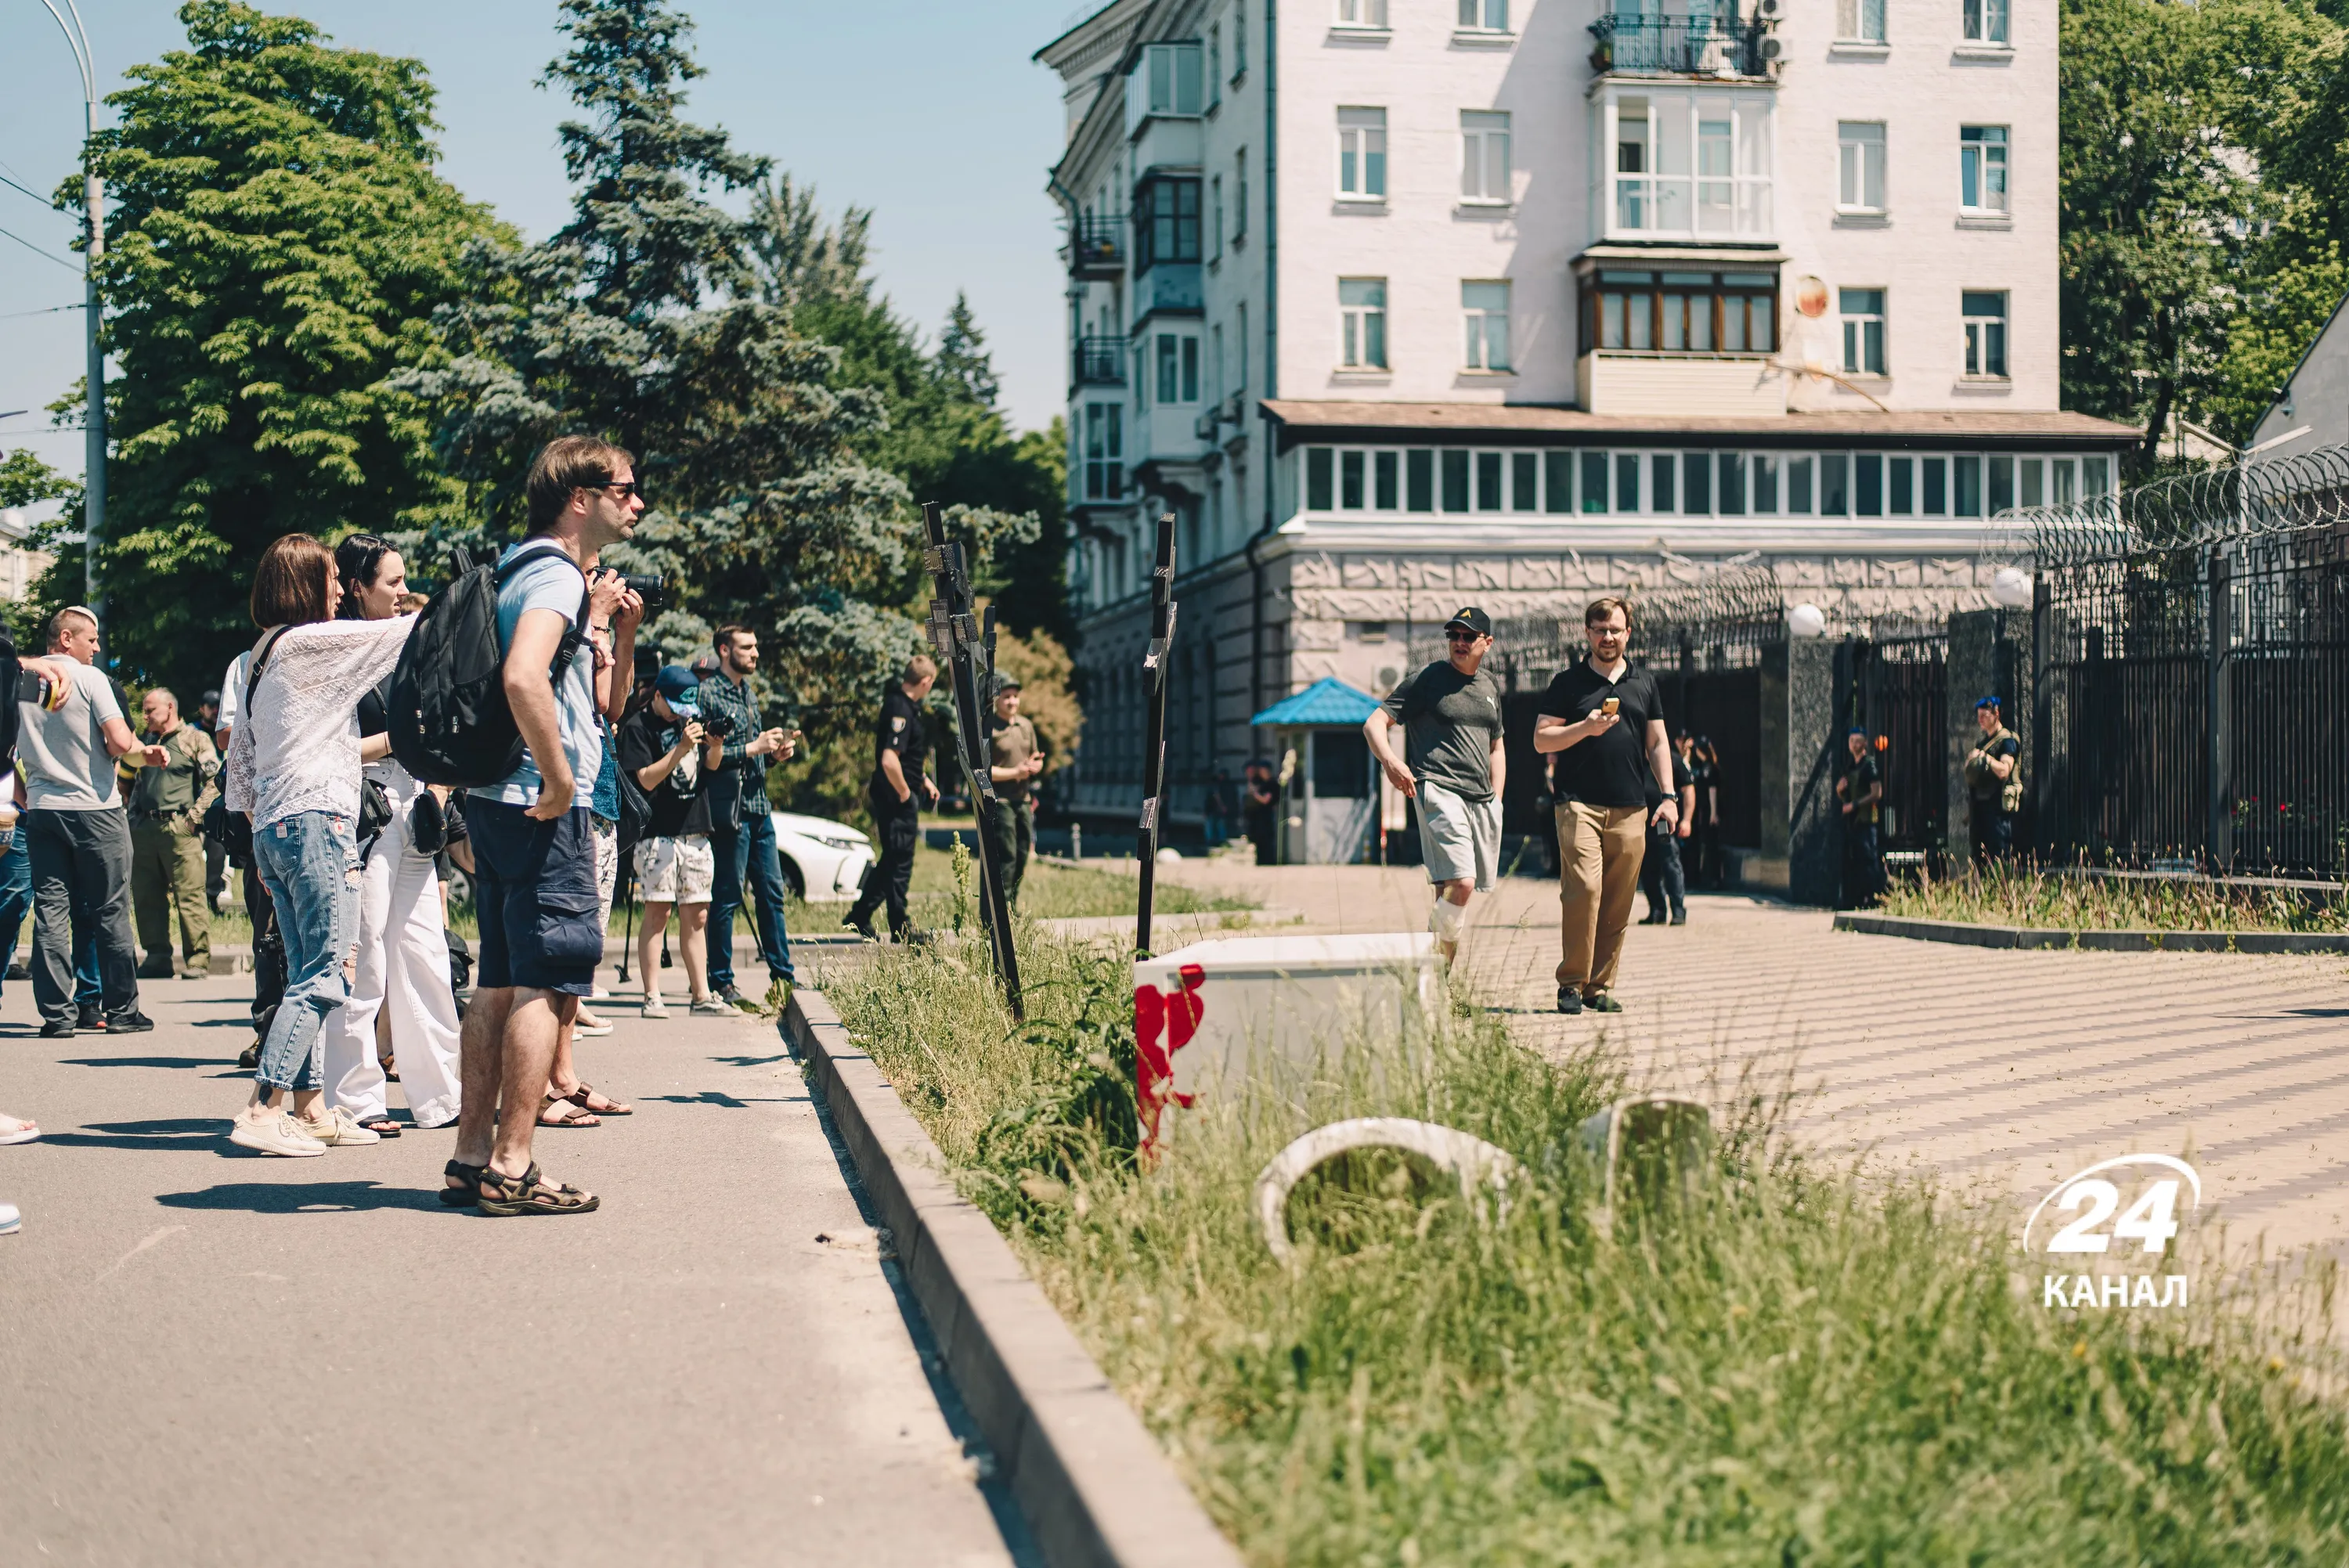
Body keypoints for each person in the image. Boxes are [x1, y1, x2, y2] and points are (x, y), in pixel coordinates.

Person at [446, 435, 642, 1216]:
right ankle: (513, 1163)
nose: (637, 501)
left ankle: (469, 1157)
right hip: (538, 801)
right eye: (625, 488)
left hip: (495, 798)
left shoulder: (516, 562)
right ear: (579, 496)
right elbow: (524, 675)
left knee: (496, 979)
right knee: (546, 980)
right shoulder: (558, 573)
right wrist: (562, 776)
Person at [222, 535, 422, 1155]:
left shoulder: (260, 654)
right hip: (318, 825)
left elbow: (241, 765)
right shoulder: (311, 642)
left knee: (303, 972)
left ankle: (311, 1108)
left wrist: (259, 839)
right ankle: (262, 1107)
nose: (341, 589)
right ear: (306, 584)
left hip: (277, 829)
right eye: (332, 578)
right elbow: (404, 637)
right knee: (331, 972)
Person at [319, 535, 465, 1137]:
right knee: (365, 955)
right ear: (357, 587)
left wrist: (436, 789)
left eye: (405, 580)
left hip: (414, 808)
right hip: (363, 809)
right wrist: (399, 745)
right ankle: (355, 1099)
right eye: (391, 582)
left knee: (427, 954)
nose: (404, 591)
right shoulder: (333, 649)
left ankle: (442, 1097)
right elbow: (325, 750)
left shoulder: (406, 644)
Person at [19, 607, 165, 1040]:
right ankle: (121, 1011)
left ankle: (57, 1016)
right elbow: (120, 741)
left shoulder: (23, 684)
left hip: (44, 810)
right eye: (93, 639)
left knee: (51, 912)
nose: (97, 648)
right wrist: (145, 752)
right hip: (95, 810)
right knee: (110, 911)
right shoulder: (90, 679)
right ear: (67, 639)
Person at [1533, 597, 1680, 1016]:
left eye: (1615, 629)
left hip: (1631, 806)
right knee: (1585, 889)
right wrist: (1585, 728)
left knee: (1619, 898)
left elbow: (1657, 742)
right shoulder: (1567, 683)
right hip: (1577, 803)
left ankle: (1599, 986)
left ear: (1628, 633)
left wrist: (1668, 796)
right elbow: (1542, 739)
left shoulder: (1644, 683)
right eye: (1600, 630)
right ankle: (1570, 983)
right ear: (1587, 634)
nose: (1608, 637)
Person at [1363, 606, 1506, 964]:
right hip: (1438, 788)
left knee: (1448, 891)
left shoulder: (1489, 685)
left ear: (1486, 643)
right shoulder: (1427, 679)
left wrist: (1497, 800)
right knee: (1463, 883)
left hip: (1481, 799)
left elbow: (1497, 746)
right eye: (1453, 635)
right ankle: (1424, 962)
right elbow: (1374, 724)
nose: (1459, 642)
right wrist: (1392, 763)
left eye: (1468, 636)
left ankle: (1438, 981)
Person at [619, 665, 731, 1017]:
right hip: (658, 834)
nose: (682, 716)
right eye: (675, 708)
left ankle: (702, 995)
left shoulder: (691, 718)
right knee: (658, 913)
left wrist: (714, 746)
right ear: (657, 696)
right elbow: (647, 780)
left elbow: (711, 767)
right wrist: (682, 748)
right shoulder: (637, 728)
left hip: (696, 829)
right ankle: (652, 995)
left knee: (697, 915)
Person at [698, 624, 798, 1011]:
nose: (756, 653)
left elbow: (753, 758)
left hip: (760, 808)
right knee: (728, 896)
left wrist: (772, 754)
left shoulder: (747, 692)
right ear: (725, 650)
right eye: (747, 647)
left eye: (756, 646)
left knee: (772, 894)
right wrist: (753, 747)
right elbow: (709, 760)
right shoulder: (709, 693)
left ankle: (783, 977)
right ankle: (721, 981)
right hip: (731, 812)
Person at [216, 645, 286, 1069]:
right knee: (268, 931)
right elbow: (227, 736)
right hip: (261, 804)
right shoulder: (246, 662)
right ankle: (269, 1030)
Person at [844, 655, 938, 943]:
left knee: (893, 860)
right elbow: (889, 760)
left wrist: (922, 780)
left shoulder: (903, 705)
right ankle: (900, 926)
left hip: (900, 791)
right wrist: (906, 793)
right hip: (896, 797)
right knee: (899, 863)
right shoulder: (901, 709)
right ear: (925, 682)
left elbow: (905, 755)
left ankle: (860, 915)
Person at [127, 687, 219, 979]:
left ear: (169, 708)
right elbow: (134, 783)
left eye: (150, 710)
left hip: (180, 830)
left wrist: (193, 819)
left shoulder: (195, 739)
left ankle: (197, 959)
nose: (145, 716)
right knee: (146, 896)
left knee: (190, 896)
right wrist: (133, 819)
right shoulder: (147, 743)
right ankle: (157, 956)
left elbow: (215, 781)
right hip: (145, 829)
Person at [985, 674, 1043, 909]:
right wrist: (1015, 773)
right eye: (1007, 697)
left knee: (1021, 854)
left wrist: (1035, 767)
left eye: (1016, 697)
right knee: (1007, 855)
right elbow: (985, 771)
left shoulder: (1026, 725)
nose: (1012, 702)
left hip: (1024, 800)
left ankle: (1012, 903)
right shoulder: (989, 727)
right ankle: (1002, 908)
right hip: (1003, 800)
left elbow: (1036, 758)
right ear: (997, 700)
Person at [1640, 732, 1697, 926]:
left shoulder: (1672, 760)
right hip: (1641, 824)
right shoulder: (1637, 761)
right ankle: (1657, 910)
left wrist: (1687, 820)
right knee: (1647, 868)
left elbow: (1688, 789)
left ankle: (1678, 910)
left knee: (1670, 864)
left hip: (1664, 823)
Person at [1965, 696, 2022, 865]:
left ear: (1996, 714)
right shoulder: (1983, 743)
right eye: (1978, 715)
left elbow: (2005, 770)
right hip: (1980, 807)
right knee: (1978, 856)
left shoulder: (2007, 740)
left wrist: (1985, 758)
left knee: (1999, 856)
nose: (1980, 719)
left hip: (1998, 808)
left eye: (1985, 715)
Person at [1835, 728, 1885, 908]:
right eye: (1852, 741)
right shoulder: (1850, 767)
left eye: (1858, 741)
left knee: (1869, 861)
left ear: (1864, 743)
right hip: (1853, 822)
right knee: (1854, 862)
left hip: (1867, 821)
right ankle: (1856, 899)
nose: (1855, 744)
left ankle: (1873, 899)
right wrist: (1839, 792)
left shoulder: (1869, 765)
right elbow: (1846, 797)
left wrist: (1854, 805)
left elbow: (1877, 793)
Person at [197, 689, 227, 910]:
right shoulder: (192, 733)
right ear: (202, 709)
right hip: (195, 804)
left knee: (217, 853)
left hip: (218, 806)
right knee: (195, 856)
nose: (215, 710)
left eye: (218, 706)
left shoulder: (226, 734)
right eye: (210, 706)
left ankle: (212, 895)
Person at [1687, 735, 1724, 889]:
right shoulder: (1706, 766)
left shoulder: (1710, 768)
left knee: (1711, 846)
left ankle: (1714, 879)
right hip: (1705, 810)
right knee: (1708, 845)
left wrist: (1713, 813)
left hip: (1709, 811)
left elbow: (1712, 791)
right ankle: (1709, 877)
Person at [1243, 758, 1278, 865]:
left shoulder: (1272, 783)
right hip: (1259, 816)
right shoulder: (1262, 783)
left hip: (1267, 816)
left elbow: (1266, 800)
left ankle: (1268, 861)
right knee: (1259, 840)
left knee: (1266, 840)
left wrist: (1255, 794)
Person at [1203, 766, 1234, 851]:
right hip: (1214, 810)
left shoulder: (1220, 786)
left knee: (1218, 826)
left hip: (1217, 810)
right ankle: (1216, 842)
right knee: (1216, 826)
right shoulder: (1219, 786)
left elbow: (1215, 798)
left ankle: (1217, 842)